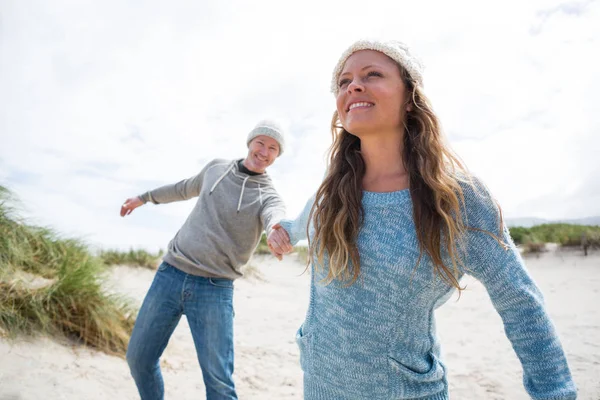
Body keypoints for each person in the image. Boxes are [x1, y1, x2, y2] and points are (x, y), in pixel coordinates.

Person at [267, 39, 577, 400]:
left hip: (403, 391)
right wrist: (281, 232)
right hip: (319, 384)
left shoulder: (457, 198)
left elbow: (521, 304)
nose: (353, 86)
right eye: (343, 81)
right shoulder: (330, 192)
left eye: (373, 74)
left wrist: (556, 393)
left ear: (410, 96)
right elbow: (300, 223)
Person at [121, 120, 287, 400]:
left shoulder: (267, 195)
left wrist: (276, 229)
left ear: (276, 157)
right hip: (170, 275)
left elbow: (276, 214)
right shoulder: (216, 168)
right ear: (250, 142)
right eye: (261, 142)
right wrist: (144, 197)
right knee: (138, 360)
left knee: (219, 385)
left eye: (273, 148)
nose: (265, 151)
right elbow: (183, 188)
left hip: (214, 289)